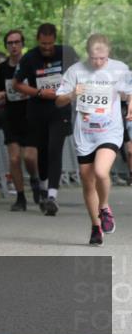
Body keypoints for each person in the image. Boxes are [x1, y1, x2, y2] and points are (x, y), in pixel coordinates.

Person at [55, 34, 130, 246]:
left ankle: (104, 207)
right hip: (85, 133)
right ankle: (96, 227)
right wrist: (71, 94)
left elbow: (129, 91)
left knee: (100, 171)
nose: (98, 63)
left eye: (102, 58)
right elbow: (58, 101)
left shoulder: (119, 68)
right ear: (88, 54)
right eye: (94, 58)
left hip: (109, 130)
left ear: (109, 54)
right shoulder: (76, 71)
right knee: (87, 181)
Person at [11, 23, 77, 216]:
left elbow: (82, 75)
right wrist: (39, 92)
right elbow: (17, 84)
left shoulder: (67, 53)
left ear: (55, 40)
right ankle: (42, 186)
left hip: (60, 109)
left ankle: (52, 197)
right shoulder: (30, 57)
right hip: (38, 111)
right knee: (42, 151)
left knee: (55, 148)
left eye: (49, 44)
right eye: (42, 44)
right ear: (37, 41)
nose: (46, 47)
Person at [0, 29, 39, 212]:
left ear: (22, 44)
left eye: (17, 42)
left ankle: (35, 180)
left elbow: (40, 88)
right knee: (14, 158)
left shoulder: (32, 65)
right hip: (11, 116)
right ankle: (20, 198)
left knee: (29, 157)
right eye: (10, 43)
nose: (14, 46)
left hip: (31, 115)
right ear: (6, 46)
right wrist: (0, 94)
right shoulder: (2, 68)